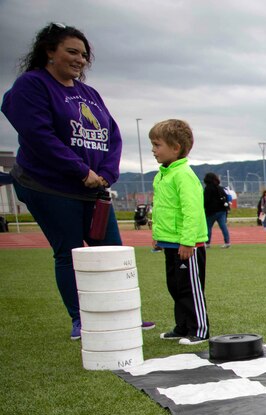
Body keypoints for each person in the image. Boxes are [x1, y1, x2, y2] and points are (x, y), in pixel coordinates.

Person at [1, 23, 154, 340]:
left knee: (111, 252)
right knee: (69, 252)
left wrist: (107, 174)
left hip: (94, 190)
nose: (80, 60)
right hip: (49, 186)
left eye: (84, 55)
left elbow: (112, 136)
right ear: (50, 52)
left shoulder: (89, 94)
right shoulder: (32, 85)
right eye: (72, 52)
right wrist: (80, 170)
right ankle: (80, 319)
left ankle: (120, 313)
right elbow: (39, 136)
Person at [149, 119, 209, 345]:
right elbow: (163, 208)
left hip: (188, 246)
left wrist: (188, 241)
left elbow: (192, 210)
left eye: (157, 145)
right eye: (152, 145)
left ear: (176, 148)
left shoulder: (184, 174)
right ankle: (182, 326)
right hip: (170, 243)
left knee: (190, 288)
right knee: (175, 286)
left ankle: (200, 329)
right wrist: (158, 235)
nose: (154, 150)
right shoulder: (163, 175)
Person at [203, 172, 231, 247]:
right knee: (223, 226)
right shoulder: (220, 188)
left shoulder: (208, 188)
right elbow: (226, 198)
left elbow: (206, 200)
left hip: (211, 211)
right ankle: (227, 242)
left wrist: (204, 207)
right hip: (222, 210)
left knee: (208, 227)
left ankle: (207, 243)